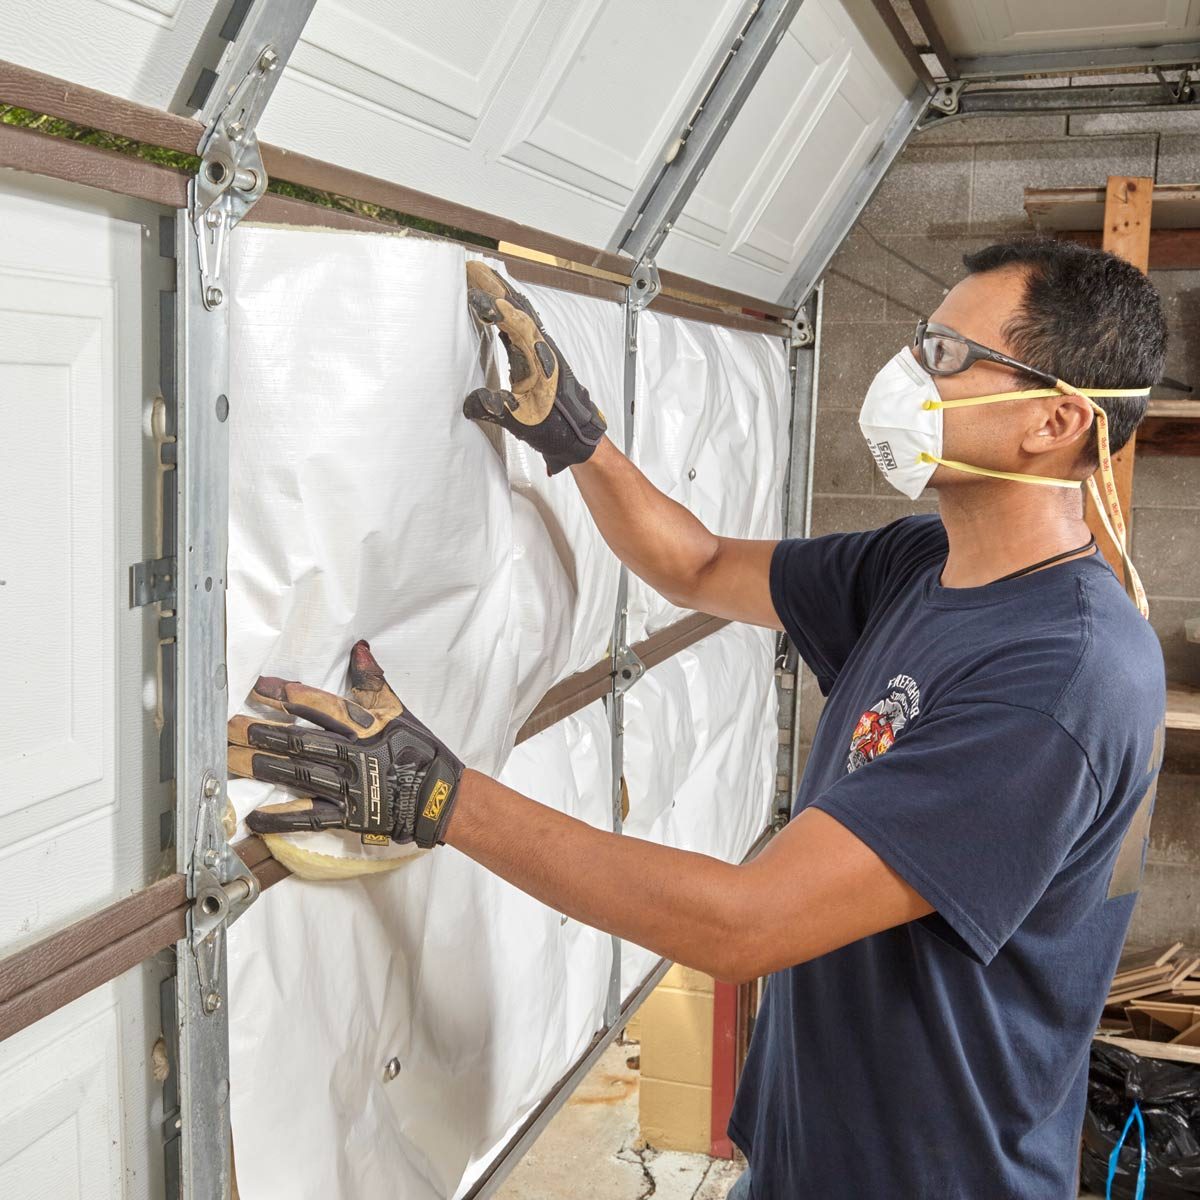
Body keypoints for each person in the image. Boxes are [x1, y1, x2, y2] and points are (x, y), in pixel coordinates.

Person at [231, 239, 1167, 1199]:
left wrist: (442, 798)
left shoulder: (1061, 677)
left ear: (1054, 419)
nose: (907, 374)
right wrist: (579, 441)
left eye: (946, 356)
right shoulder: (923, 565)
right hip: (807, 1160)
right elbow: (704, 566)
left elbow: (743, 923)